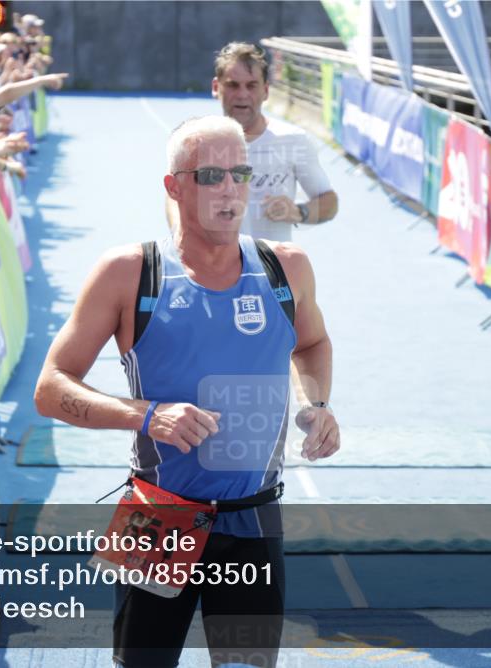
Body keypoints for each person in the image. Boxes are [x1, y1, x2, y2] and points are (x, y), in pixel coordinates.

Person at [34, 116, 340, 667]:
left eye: (240, 173)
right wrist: (148, 416)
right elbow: (51, 388)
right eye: (211, 176)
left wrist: (316, 405)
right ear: (174, 187)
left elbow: (312, 344)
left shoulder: (286, 268)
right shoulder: (130, 272)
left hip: (253, 517)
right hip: (157, 515)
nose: (230, 190)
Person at [195, 42, 338, 242]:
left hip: (271, 261)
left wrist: (299, 211)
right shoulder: (197, 141)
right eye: (233, 85)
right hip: (213, 261)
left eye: (251, 85)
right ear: (216, 87)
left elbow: (329, 202)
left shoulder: (293, 140)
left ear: (266, 91)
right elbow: (175, 199)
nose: (242, 94)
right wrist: (179, 231)